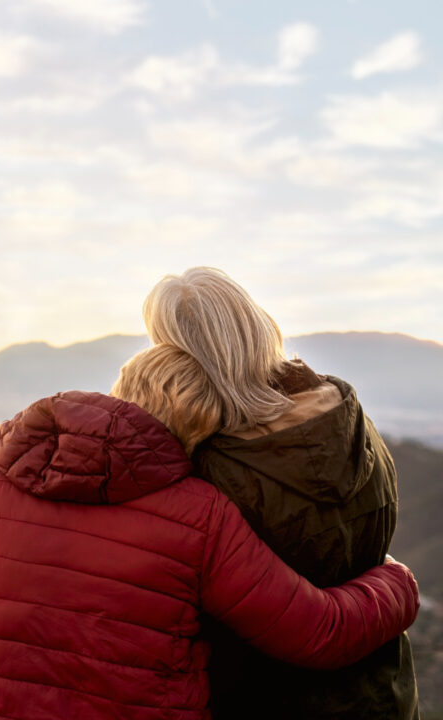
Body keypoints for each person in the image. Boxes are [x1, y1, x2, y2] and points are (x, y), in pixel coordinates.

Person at [0, 344, 420, 720]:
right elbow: (317, 632)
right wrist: (396, 582)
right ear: (203, 430)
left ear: (122, 389)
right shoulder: (202, 515)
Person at [143, 266, 419, 720]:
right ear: (257, 327)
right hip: (381, 694)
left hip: (261, 701)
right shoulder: (353, 425)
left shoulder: (209, 469)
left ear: (177, 355)